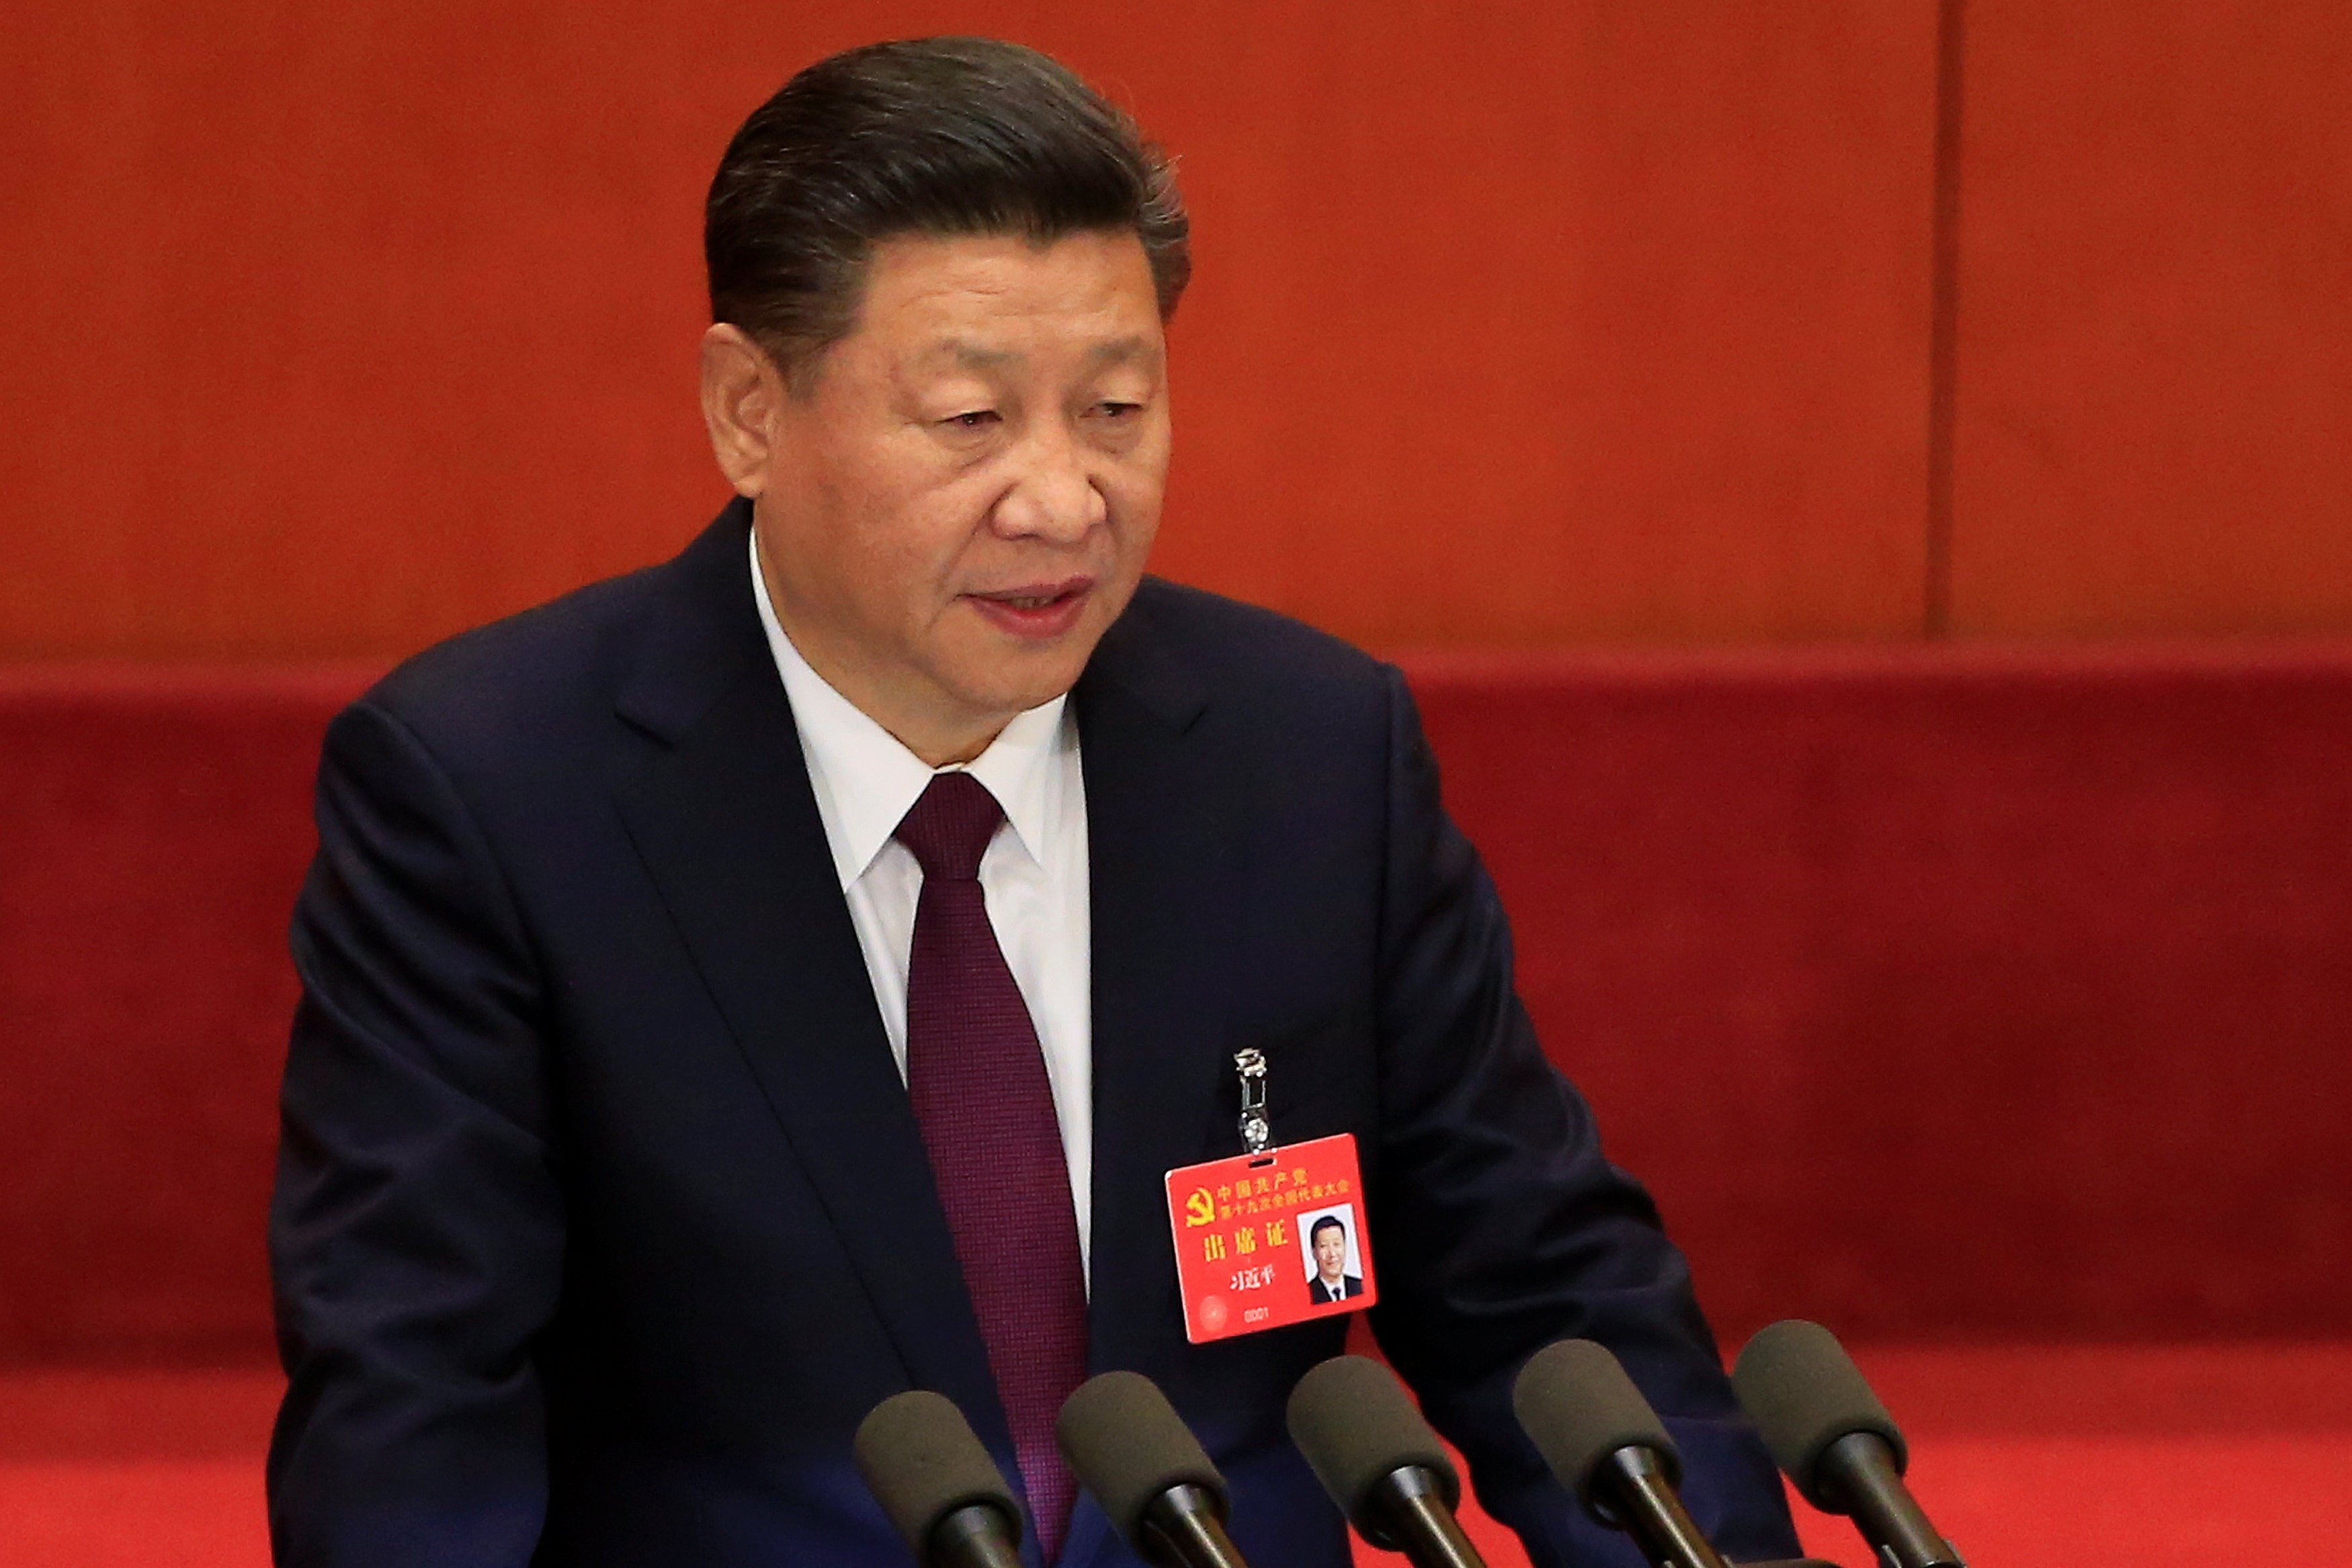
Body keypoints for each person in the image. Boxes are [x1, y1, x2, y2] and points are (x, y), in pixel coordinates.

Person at [266, 36, 1802, 1568]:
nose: (1065, 501)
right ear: (748, 410)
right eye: (970, 421)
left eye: (1118, 411)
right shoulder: (498, 793)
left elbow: (1547, 1300)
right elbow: (416, 1396)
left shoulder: (1311, 759)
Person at [1305, 1214, 1363, 1304]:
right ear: (1314, 1252)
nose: (1332, 1254)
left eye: (1337, 1244)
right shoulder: (1308, 1294)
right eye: (1324, 1246)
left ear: (1345, 1246)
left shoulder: (1361, 1287)